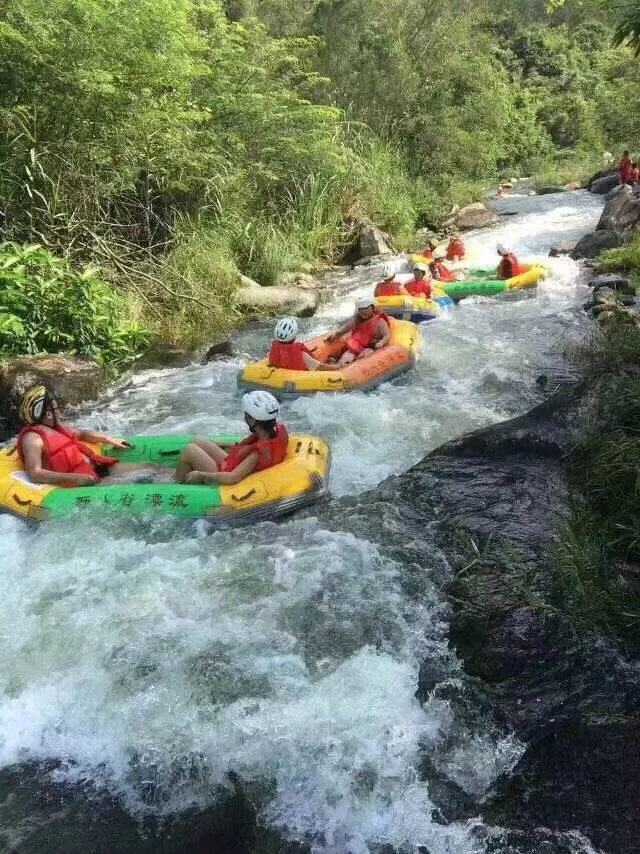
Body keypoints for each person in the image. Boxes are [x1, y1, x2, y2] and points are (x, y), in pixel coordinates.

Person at [16, 385, 160, 487]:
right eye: (56, 409)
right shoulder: (33, 438)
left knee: (151, 468)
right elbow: (34, 473)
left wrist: (108, 439)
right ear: (47, 413)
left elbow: (83, 434)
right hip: (82, 480)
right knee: (134, 485)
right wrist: (75, 479)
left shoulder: (56, 429)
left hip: (95, 468)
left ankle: (181, 480)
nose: (59, 412)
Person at [175, 391, 288, 485]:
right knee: (197, 441)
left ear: (252, 419)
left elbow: (233, 477)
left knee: (189, 450)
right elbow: (246, 449)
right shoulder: (270, 433)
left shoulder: (256, 455)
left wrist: (200, 475)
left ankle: (179, 484)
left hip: (223, 473)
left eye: (246, 414)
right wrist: (221, 444)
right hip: (231, 464)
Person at [326, 296, 390, 365]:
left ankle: (353, 367)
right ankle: (338, 365)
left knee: (366, 353)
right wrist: (336, 334)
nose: (363, 311)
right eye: (361, 309)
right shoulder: (357, 319)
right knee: (346, 357)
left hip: (371, 347)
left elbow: (387, 335)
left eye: (366, 308)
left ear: (373, 308)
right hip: (356, 346)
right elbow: (347, 327)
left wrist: (381, 343)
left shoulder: (380, 321)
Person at [267, 317, 340, 372]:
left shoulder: (273, 348)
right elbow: (319, 367)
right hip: (299, 382)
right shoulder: (301, 354)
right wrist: (339, 366)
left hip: (279, 378)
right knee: (332, 360)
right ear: (294, 336)